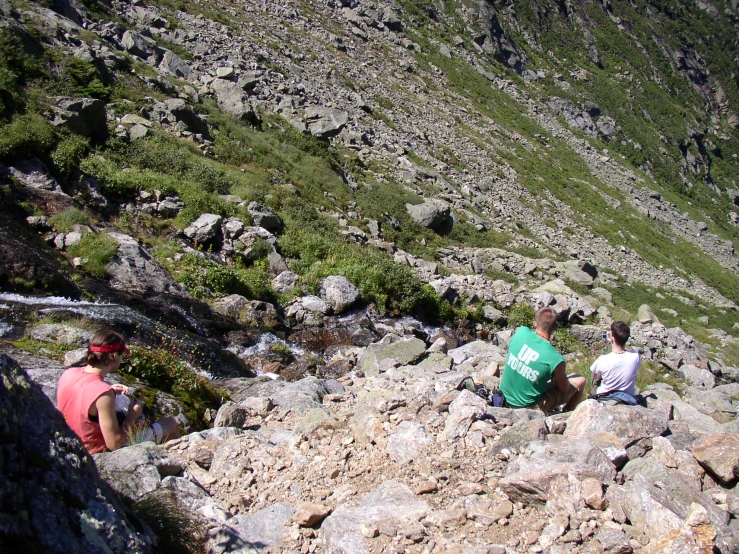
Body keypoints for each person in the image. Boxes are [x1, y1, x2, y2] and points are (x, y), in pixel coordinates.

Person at [57, 329, 180, 454]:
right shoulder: (103, 393)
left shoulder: (68, 373)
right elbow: (114, 443)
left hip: (70, 446)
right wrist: (133, 415)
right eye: (121, 355)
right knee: (170, 424)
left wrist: (109, 391)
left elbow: (83, 396)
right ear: (114, 356)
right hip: (96, 454)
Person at [499, 307, 585, 413]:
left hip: (503, 396)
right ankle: (566, 415)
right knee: (580, 380)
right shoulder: (555, 359)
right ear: (555, 327)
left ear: (535, 323)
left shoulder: (521, 331)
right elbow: (564, 389)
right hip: (527, 407)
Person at [590, 321, 640, 398]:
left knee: (596, 374)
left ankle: (593, 395)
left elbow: (595, 374)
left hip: (605, 396)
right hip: (628, 396)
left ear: (612, 338)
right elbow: (625, 350)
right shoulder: (635, 356)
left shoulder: (602, 359)